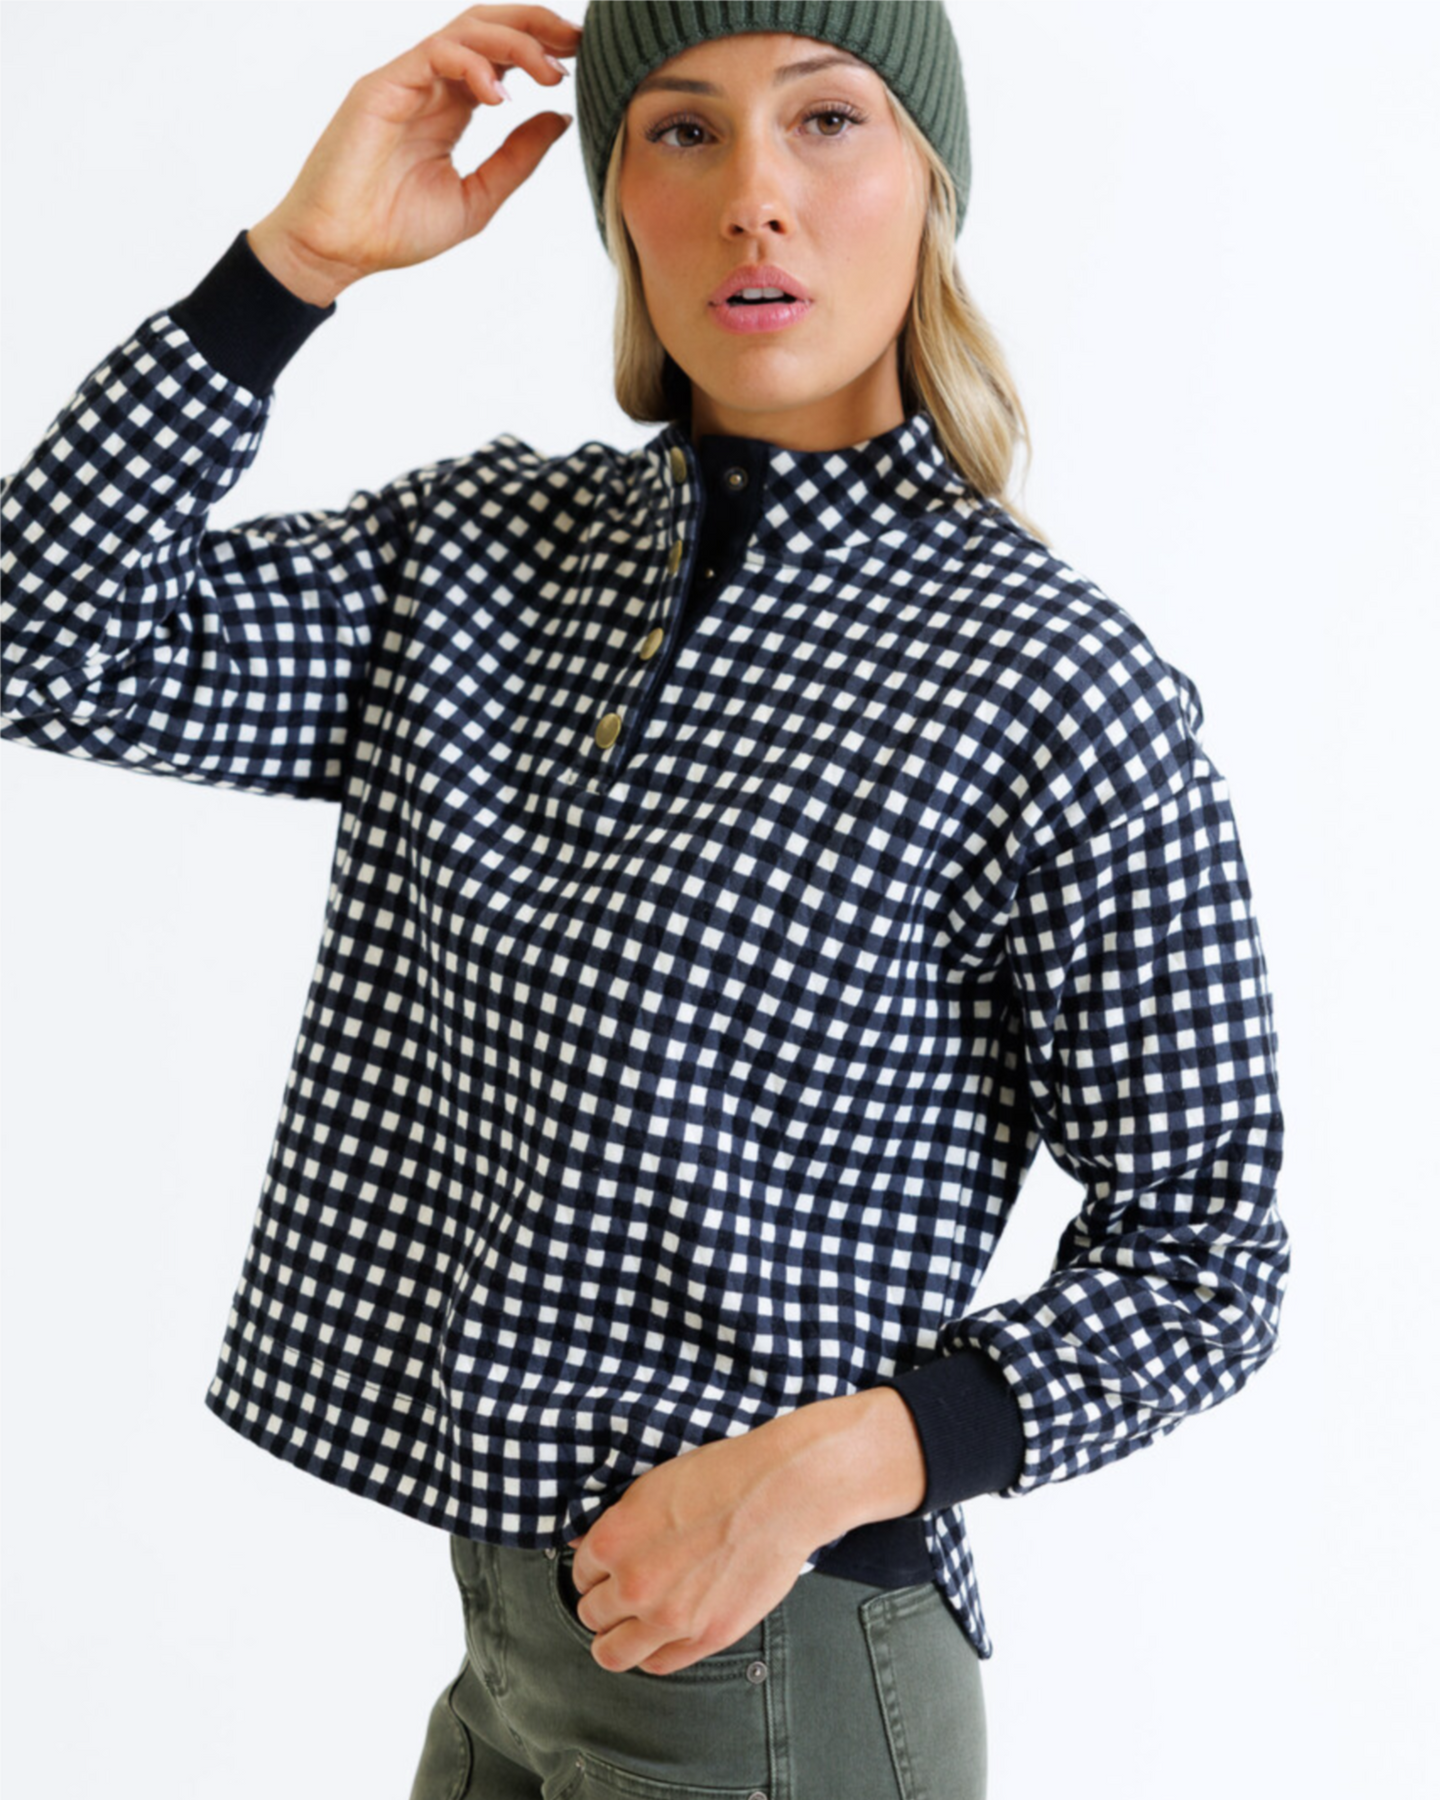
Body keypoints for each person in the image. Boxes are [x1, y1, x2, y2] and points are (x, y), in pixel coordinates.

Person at [0, 4, 1292, 1796]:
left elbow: (1210, 1251)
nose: (755, 194)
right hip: (512, 1648)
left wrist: (828, 1468)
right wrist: (294, 266)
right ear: (617, 202)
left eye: (827, 122)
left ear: (930, 182)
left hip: (777, 1657)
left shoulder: (1042, 682)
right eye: (682, 131)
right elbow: (47, 641)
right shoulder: (482, 568)